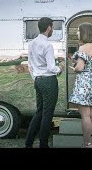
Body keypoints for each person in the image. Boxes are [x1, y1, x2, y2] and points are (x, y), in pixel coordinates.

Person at [25, 17, 62, 148]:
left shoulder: (32, 43)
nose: (52, 29)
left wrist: (35, 78)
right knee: (47, 114)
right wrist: (60, 69)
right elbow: (51, 67)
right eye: (52, 27)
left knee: (39, 112)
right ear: (48, 28)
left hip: (38, 80)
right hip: (49, 81)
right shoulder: (47, 45)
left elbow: (30, 66)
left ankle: (28, 142)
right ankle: (43, 144)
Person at [69, 22, 92, 148]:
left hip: (83, 82)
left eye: (78, 31)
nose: (77, 33)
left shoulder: (83, 48)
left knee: (85, 116)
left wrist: (74, 67)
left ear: (84, 32)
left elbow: (80, 67)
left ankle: (87, 144)